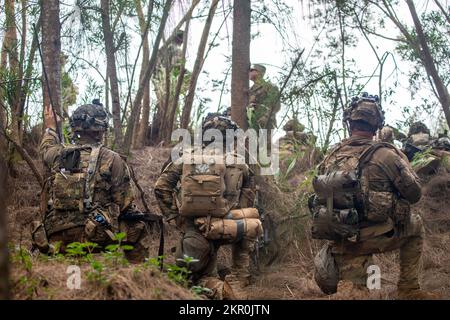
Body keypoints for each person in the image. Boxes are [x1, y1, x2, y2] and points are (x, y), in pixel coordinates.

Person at [310, 93, 439, 299]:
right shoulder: (386, 154)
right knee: (416, 225)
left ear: (349, 123)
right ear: (377, 125)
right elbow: (414, 195)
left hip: (342, 237)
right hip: (376, 235)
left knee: (362, 286)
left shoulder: (331, 155)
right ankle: (408, 289)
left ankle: (357, 278)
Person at [154, 115, 262, 299]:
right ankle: (238, 276)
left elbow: (161, 187)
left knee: (190, 279)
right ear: (230, 139)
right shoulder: (240, 164)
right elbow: (248, 199)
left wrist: (176, 218)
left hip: (194, 228)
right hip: (231, 226)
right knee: (250, 224)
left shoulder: (185, 158)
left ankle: (216, 286)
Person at [31, 101, 152, 263]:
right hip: (95, 236)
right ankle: (139, 274)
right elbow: (125, 204)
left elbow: (45, 148)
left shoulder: (57, 154)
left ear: (75, 127)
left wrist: (51, 128)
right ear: (100, 131)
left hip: (56, 235)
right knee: (134, 222)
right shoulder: (112, 158)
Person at [248, 64, 281, 130]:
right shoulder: (250, 90)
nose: (249, 72)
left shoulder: (270, 87)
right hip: (251, 124)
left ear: (259, 73)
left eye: (251, 70)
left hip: (265, 123)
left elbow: (276, 105)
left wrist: (266, 117)